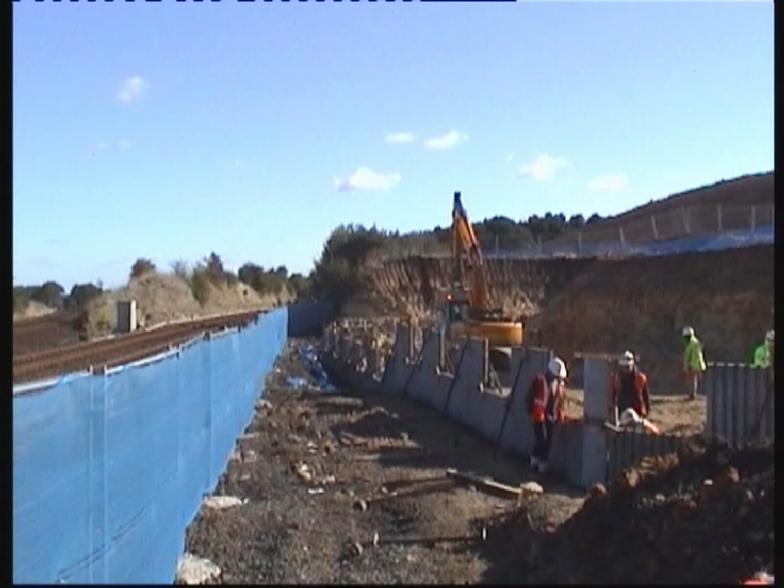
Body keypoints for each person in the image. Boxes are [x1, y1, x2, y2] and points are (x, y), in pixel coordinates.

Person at [527, 357, 567, 473]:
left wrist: (560, 413)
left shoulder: (559, 385)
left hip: (550, 416)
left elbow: (560, 400)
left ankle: (541, 466)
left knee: (547, 441)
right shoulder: (541, 381)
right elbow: (535, 399)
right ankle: (536, 464)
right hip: (539, 416)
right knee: (541, 440)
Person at [609, 350, 650, 424]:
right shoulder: (616, 379)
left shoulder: (640, 378)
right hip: (620, 413)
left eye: (627, 367)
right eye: (624, 367)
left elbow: (646, 397)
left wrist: (646, 413)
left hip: (637, 412)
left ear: (632, 365)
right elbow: (612, 397)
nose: (625, 369)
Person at [682, 326, 707, 400]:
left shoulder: (690, 344)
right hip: (698, 364)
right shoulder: (696, 342)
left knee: (692, 380)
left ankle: (692, 394)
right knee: (694, 379)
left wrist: (686, 367)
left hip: (693, 364)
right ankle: (693, 394)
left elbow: (688, 356)